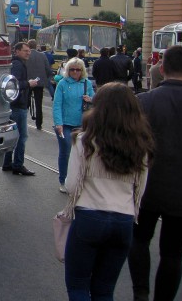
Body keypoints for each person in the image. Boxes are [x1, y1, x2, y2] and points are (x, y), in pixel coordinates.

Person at [64, 82, 153, 301]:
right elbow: (141, 187)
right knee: (104, 289)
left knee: (78, 286)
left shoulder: (84, 140)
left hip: (89, 215)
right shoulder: (140, 145)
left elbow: (72, 185)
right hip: (123, 220)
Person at [128, 45, 182, 301]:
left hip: (146, 185)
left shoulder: (143, 101)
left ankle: (141, 291)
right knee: (173, 254)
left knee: (139, 240)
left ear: (162, 69)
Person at [53, 57, 94, 194]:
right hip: (65, 123)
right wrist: (58, 123)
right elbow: (57, 104)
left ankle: (80, 179)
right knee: (66, 150)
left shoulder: (86, 83)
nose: (75, 72)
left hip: (81, 123)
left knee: (82, 152)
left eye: (78, 69)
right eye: (72, 69)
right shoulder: (62, 84)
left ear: (82, 71)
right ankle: (63, 180)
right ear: (68, 70)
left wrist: (90, 99)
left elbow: (95, 99)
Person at [2, 42, 38, 176]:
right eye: (25, 51)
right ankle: (18, 164)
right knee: (22, 136)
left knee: (12, 135)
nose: (28, 53)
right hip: (18, 105)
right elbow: (14, 84)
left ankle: (7, 163)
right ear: (16, 51)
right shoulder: (18, 64)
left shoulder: (16, 63)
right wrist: (28, 83)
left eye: (29, 51)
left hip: (15, 104)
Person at [26, 39, 52, 130]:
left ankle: (24, 121)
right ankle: (39, 124)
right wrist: (46, 78)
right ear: (36, 46)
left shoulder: (26, 55)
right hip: (40, 82)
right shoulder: (42, 55)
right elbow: (48, 70)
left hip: (27, 82)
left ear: (28, 46)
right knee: (38, 104)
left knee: (26, 102)